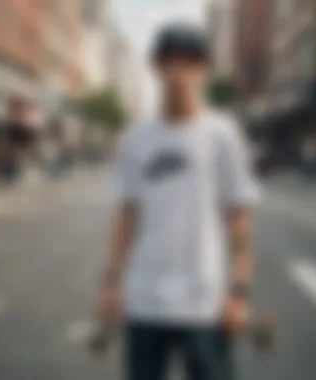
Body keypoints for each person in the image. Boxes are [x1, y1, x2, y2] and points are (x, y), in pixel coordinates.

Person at [94, 23, 260, 380]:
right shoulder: (136, 137)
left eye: (190, 62)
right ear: (156, 68)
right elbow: (126, 215)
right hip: (144, 302)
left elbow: (239, 222)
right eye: (170, 61)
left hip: (205, 305)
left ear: (205, 70)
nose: (179, 72)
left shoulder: (224, 136)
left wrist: (239, 292)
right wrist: (111, 284)